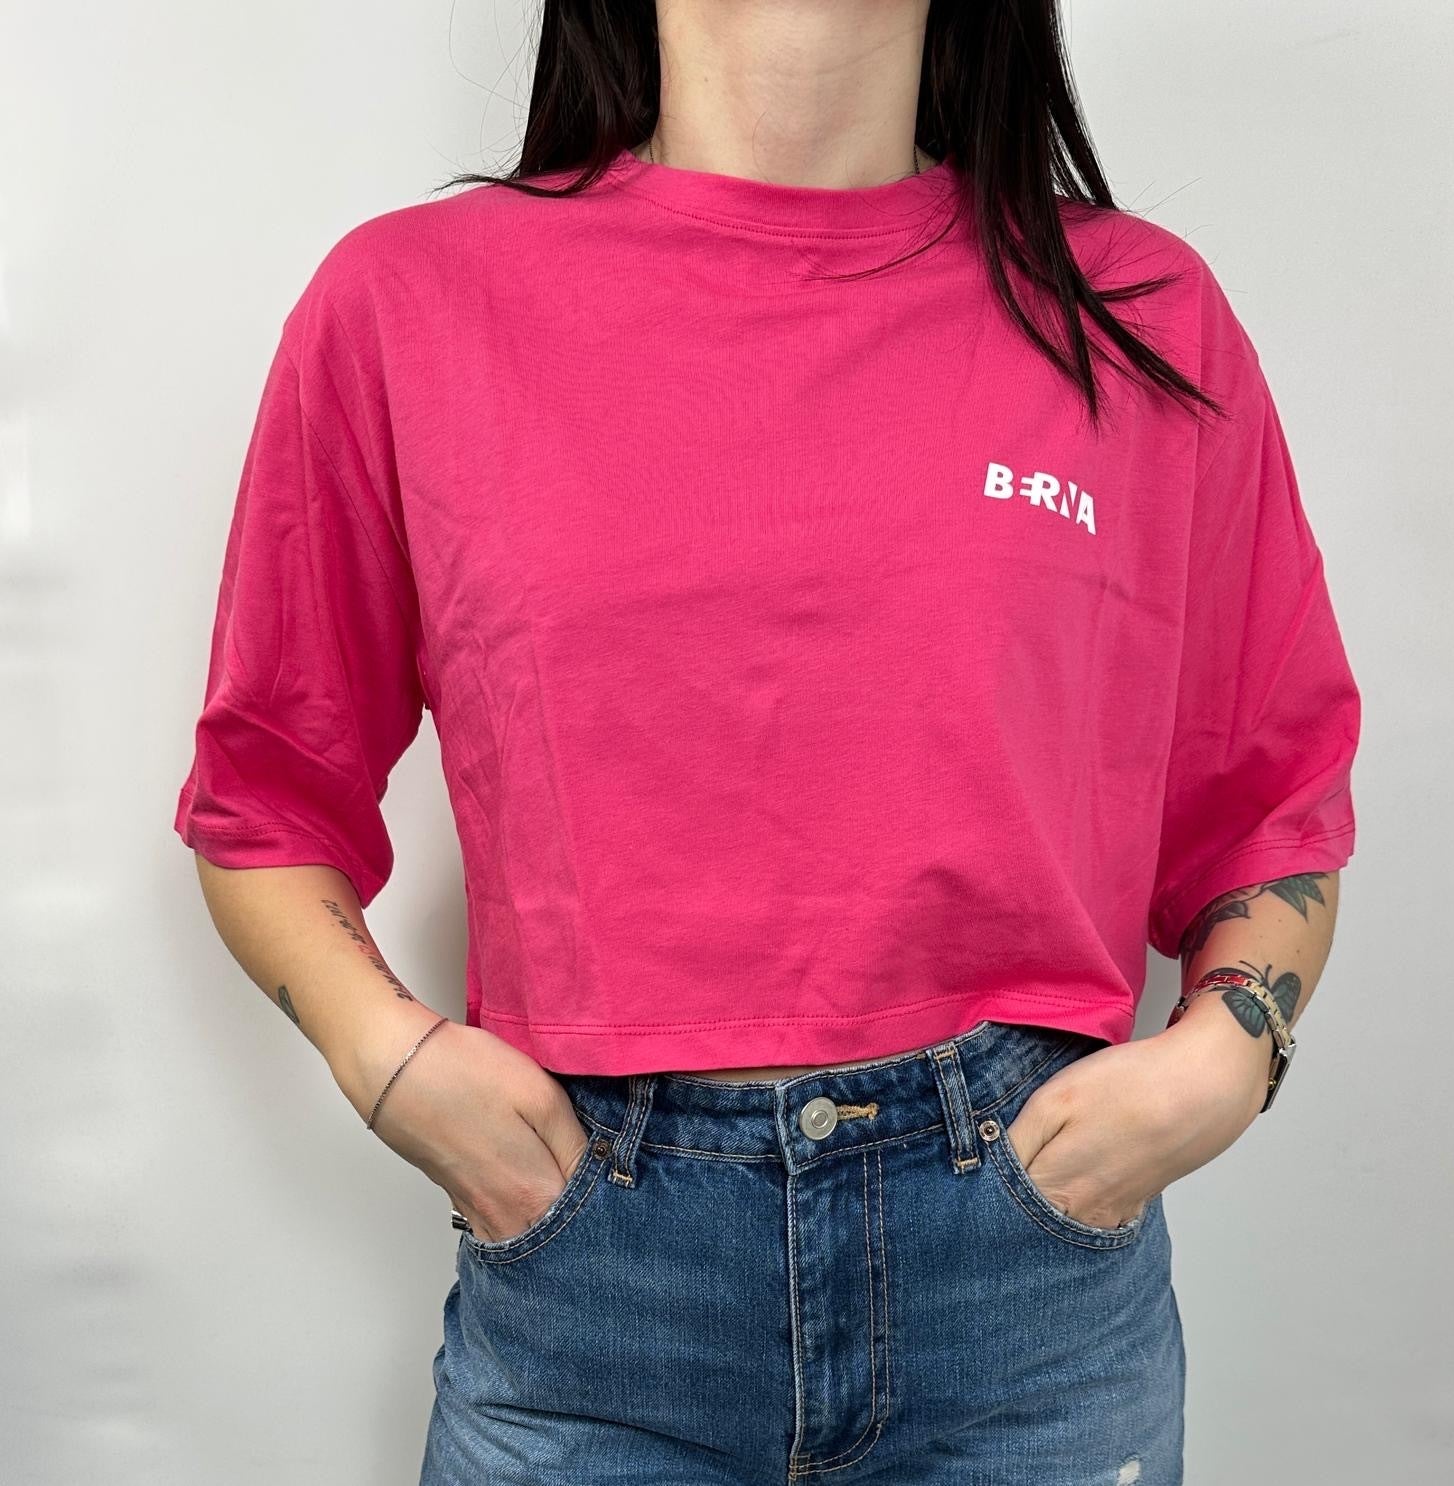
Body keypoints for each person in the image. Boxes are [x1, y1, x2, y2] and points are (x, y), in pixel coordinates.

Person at [173, 3, 1360, 1482]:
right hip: (590, 1284)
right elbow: (265, 798)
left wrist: (1229, 1055)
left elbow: (1271, 797)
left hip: (1028, 1301)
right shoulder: (410, 305)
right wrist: (388, 1061)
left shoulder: (1137, 314)